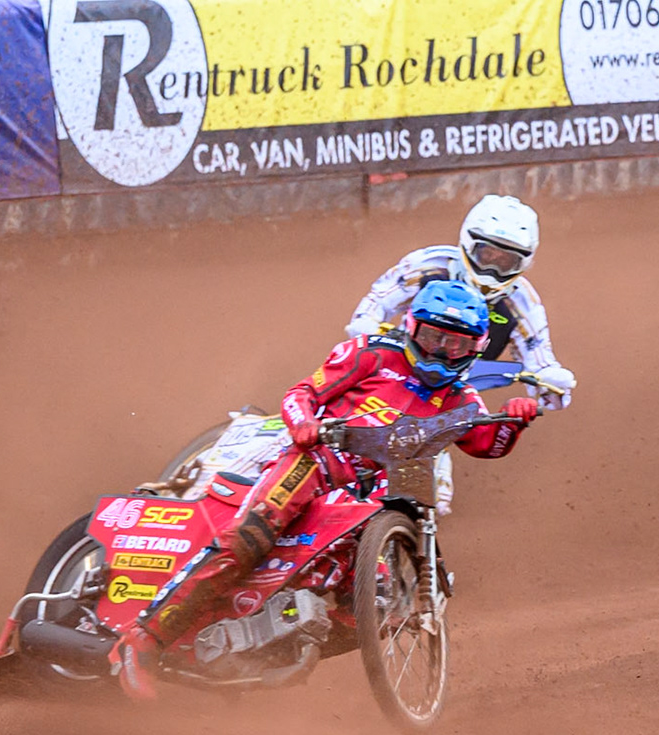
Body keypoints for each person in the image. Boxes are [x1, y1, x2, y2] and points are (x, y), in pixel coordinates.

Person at [107, 281, 541, 700]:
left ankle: (263, 648)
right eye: (432, 337)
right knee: (252, 536)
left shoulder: (462, 399)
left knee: (374, 607)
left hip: (373, 497)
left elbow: (486, 444)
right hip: (315, 464)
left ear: (477, 348)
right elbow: (301, 393)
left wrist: (515, 420)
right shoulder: (371, 353)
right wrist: (304, 424)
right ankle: (145, 638)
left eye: (456, 344)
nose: (441, 351)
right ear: (411, 328)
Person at [347, 194, 576, 512]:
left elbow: (541, 358)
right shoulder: (429, 265)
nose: (492, 268)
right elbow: (376, 302)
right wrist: (369, 326)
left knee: (437, 497)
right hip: (404, 361)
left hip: (455, 386)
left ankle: (416, 533)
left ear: (522, 262)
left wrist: (551, 383)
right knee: (350, 407)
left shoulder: (522, 301)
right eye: (487, 254)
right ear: (469, 244)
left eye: (505, 261)